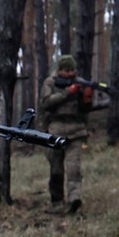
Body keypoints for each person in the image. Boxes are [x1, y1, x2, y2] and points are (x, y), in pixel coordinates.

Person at [38, 54, 93, 214]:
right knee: (56, 169)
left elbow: (85, 109)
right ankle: (57, 201)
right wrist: (68, 92)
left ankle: (74, 198)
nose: (70, 74)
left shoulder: (81, 83)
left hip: (76, 130)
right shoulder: (50, 83)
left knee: (74, 168)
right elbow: (46, 103)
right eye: (66, 70)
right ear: (59, 70)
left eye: (72, 70)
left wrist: (87, 98)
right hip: (55, 130)